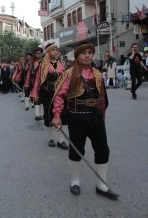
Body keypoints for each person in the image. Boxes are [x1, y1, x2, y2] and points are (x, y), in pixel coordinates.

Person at [51, 43, 119, 200]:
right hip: (77, 117)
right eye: (84, 53)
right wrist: (57, 115)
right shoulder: (69, 74)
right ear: (77, 56)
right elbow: (60, 95)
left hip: (95, 118)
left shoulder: (97, 74)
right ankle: (75, 181)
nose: (87, 55)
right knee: (76, 150)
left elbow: (102, 98)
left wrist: (102, 116)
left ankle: (101, 185)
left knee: (103, 150)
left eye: (90, 52)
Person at [30, 43, 68, 150]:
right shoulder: (43, 65)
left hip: (61, 94)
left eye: (57, 50)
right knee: (49, 116)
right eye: (53, 50)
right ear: (48, 52)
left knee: (63, 116)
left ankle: (61, 140)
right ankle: (50, 138)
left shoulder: (61, 63)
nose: (56, 52)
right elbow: (38, 79)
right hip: (48, 93)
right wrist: (35, 93)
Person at [25, 47, 44, 119]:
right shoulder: (32, 63)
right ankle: (37, 115)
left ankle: (42, 114)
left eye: (40, 53)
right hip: (34, 83)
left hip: (43, 83)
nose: (39, 54)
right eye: (37, 53)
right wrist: (28, 83)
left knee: (42, 99)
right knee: (36, 98)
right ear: (35, 54)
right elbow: (29, 73)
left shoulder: (45, 62)